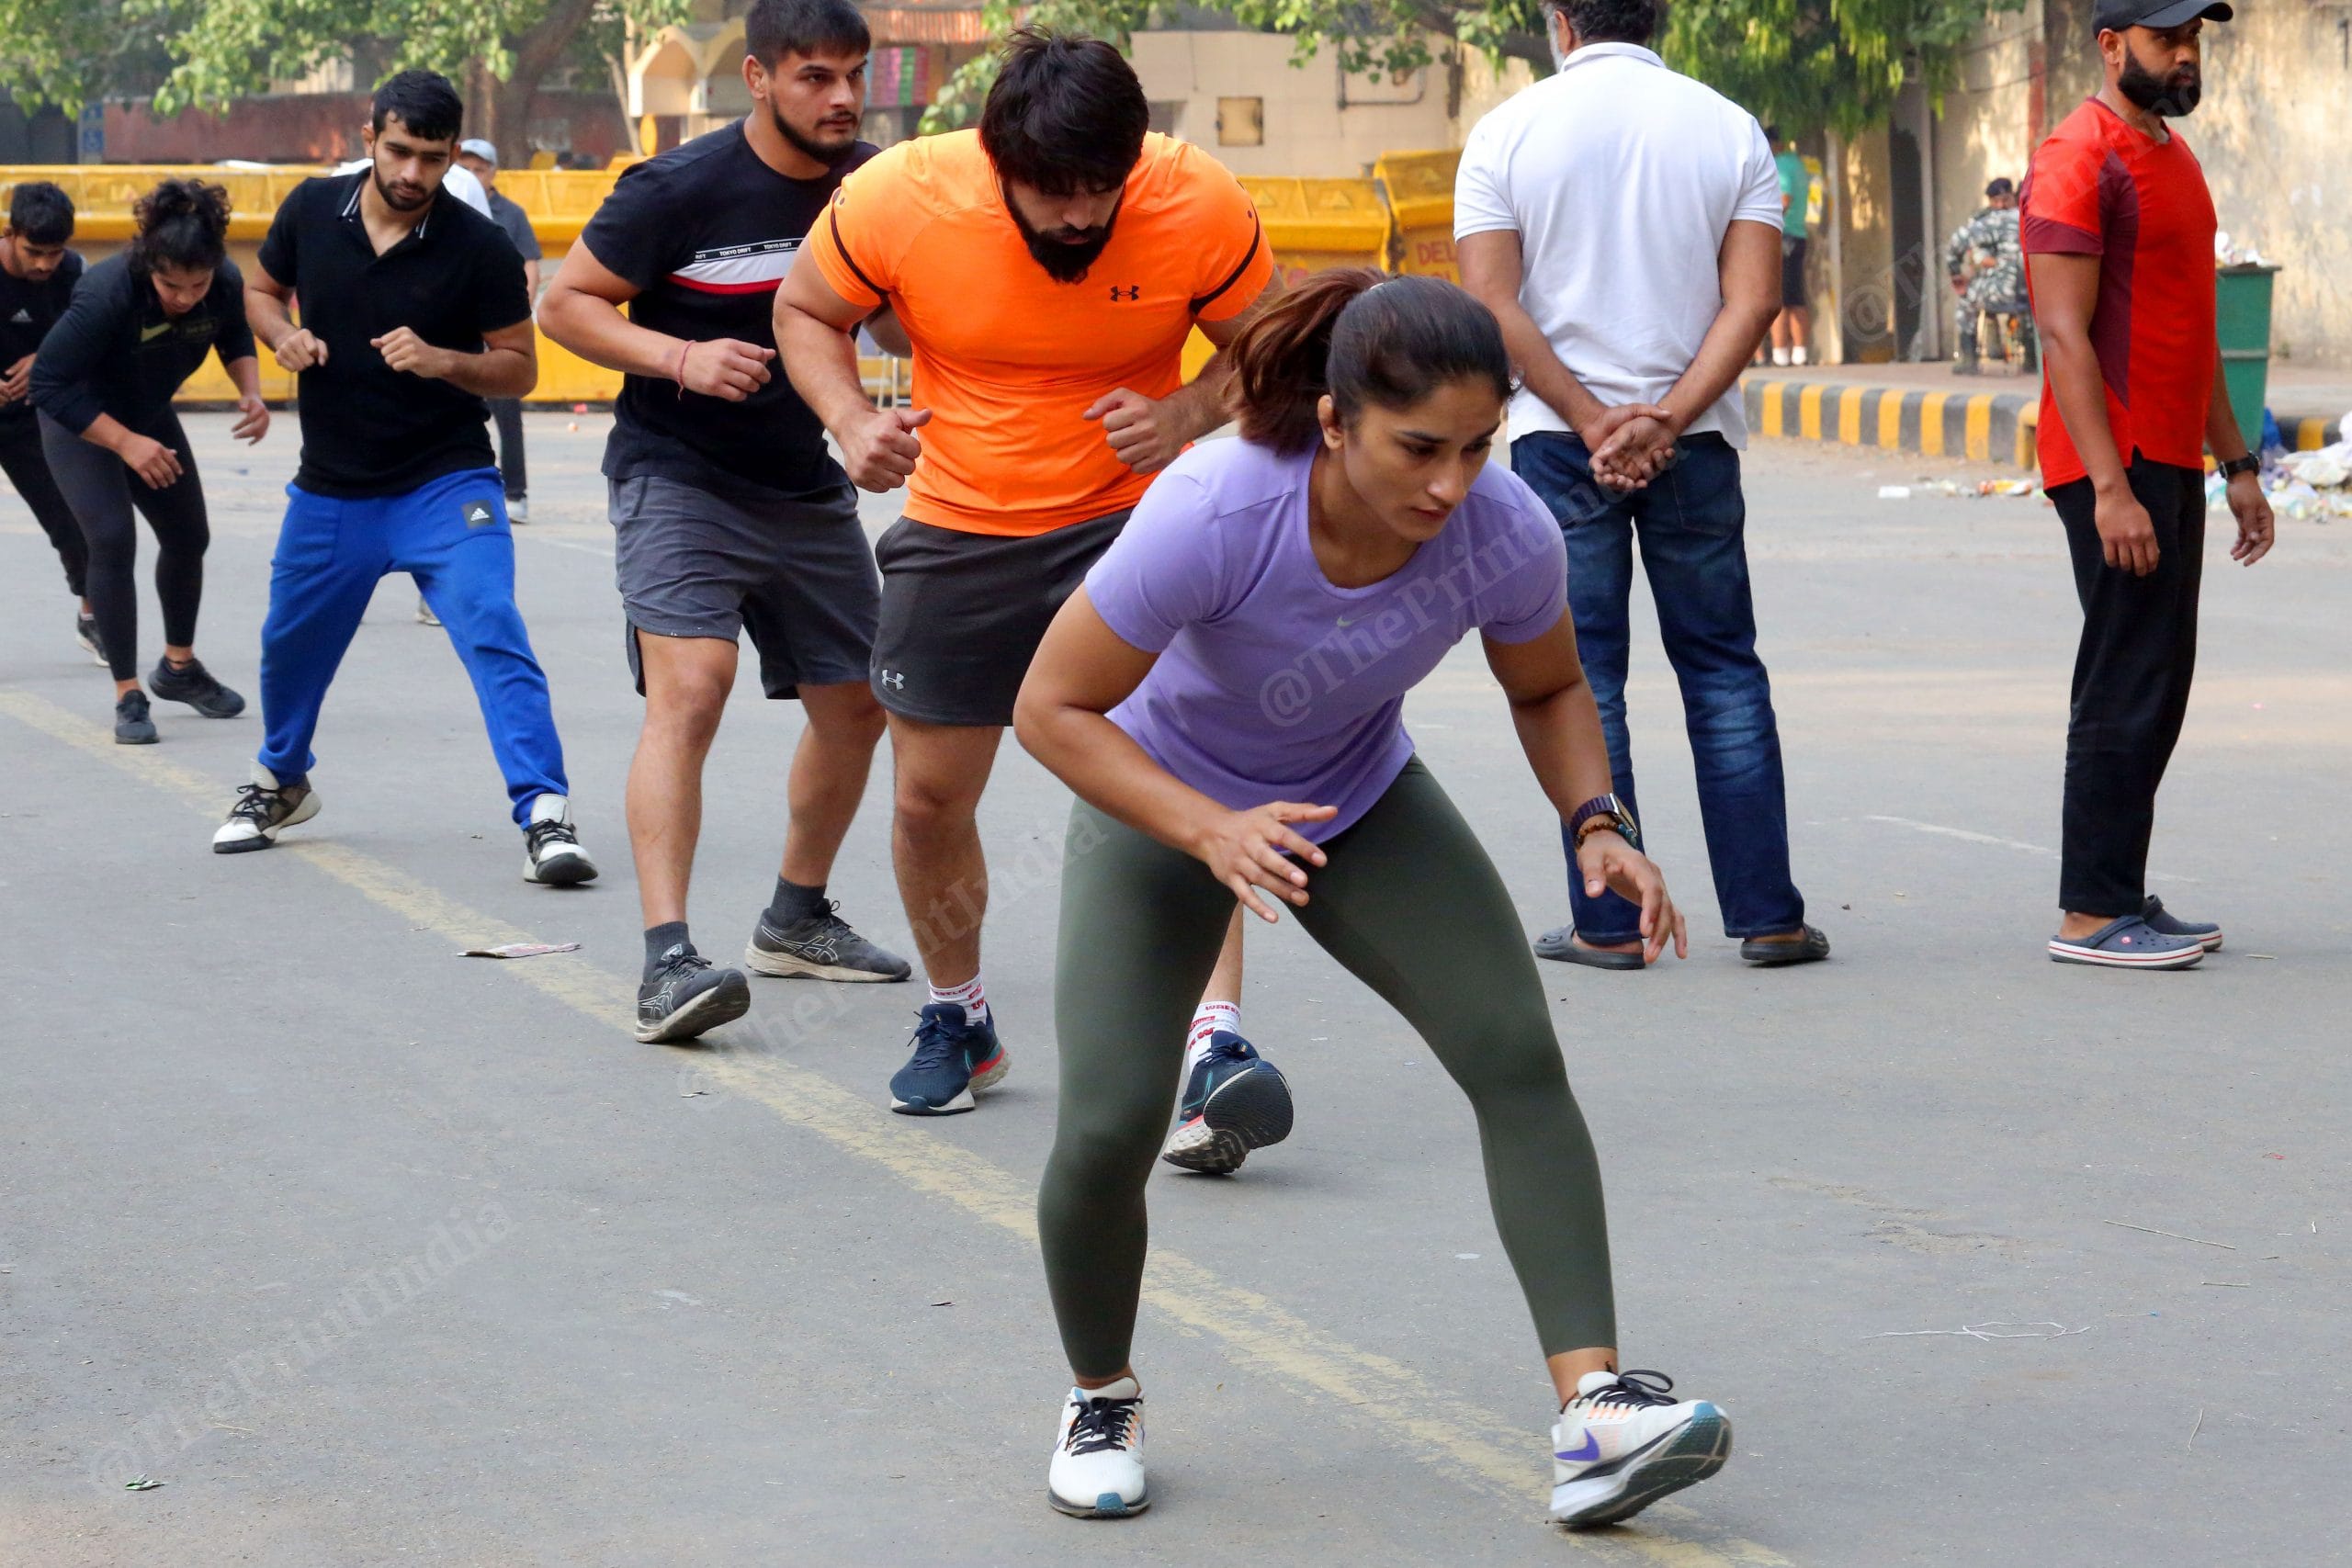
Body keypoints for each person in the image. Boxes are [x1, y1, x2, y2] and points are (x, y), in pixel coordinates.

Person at [1012, 271, 1729, 1527]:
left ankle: (1595, 1408)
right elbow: (1052, 707)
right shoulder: (1216, 508)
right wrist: (1207, 828)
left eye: (1476, 446)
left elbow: (1551, 686)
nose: (1449, 484)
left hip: (1354, 794)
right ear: (1336, 423)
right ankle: (1100, 1391)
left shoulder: (1503, 531)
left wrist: (1598, 821)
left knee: (1515, 1051)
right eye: (1418, 448)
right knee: (1112, 1125)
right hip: (1166, 803)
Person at [779, 28, 1294, 1153]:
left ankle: (1212, 1041)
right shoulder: (902, 195)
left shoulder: (1192, 198)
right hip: (962, 528)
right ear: (993, 156)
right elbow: (803, 311)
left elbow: (1272, 347)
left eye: (1098, 195)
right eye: (1048, 195)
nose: (1075, 219)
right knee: (927, 799)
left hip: (1132, 526)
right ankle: (956, 1014)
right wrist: (851, 417)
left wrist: (1184, 415)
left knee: (1171, 777)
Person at [539, 0, 908, 1045]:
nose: (840, 98)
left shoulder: (874, 185)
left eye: (852, 75)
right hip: (679, 473)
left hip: (801, 483)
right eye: (813, 77)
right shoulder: (677, 188)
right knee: (690, 691)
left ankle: (795, 917)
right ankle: (667, 963)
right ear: (756, 77)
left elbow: (888, 309)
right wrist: (681, 357)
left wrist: (887, 410)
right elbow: (565, 305)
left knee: (856, 707)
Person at [1457, 0, 1826, 973]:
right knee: (1722, 669)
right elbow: (1753, 301)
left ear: (1559, 21)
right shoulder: (1725, 125)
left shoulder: (1505, 132)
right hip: (1693, 445)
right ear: (1656, 17)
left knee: (1583, 680)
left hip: (1555, 446)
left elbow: (1491, 305)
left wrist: (1590, 421)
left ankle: (1610, 923)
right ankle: (1769, 917)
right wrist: (1664, 419)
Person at [211, 68, 598, 892]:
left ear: (453, 153)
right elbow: (258, 289)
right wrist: (281, 334)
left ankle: (546, 814)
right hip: (333, 489)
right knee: (288, 645)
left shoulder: (481, 244)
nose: (412, 172)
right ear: (368, 140)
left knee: (494, 626)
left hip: (445, 482)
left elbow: (520, 370)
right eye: (398, 151)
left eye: (430, 156)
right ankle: (282, 781)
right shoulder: (312, 210)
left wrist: (443, 360)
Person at [2024, 0, 2270, 969]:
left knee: (2159, 679)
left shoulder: (2173, 158)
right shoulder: (2075, 156)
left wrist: (2239, 463)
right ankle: (2088, 911)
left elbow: (2195, 328)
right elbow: (2060, 332)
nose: (2184, 56)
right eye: (2168, 40)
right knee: (2125, 674)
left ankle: (2118, 890)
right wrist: (2107, 487)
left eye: (2195, 41)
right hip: (2111, 461)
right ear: (2111, 44)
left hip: (2169, 455)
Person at [31, 179, 266, 745]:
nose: (184, 297)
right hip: (82, 419)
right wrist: (126, 443)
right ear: (148, 264)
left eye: (197, 284)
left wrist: (251, 393)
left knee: (189, 535)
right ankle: (128, 693)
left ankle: (178, 668)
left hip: (148, 413)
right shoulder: (108, 291)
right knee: (112, 540)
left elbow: (235, 335)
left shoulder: (225, 282)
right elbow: (49, 383)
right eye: (170, 285)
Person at [0, 180, 97, 661]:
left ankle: (92, 615)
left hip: (30, 419)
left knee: (74, 518)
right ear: (9, 233)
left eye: (53, 253)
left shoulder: (75, 273)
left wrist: (44, 358)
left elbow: (92, 334)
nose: (43, 264)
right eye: (33, 251)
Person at [457, 137, 537, 524]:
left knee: (507, 414)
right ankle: (465, 503)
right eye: (466, 167)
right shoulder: (445, 207)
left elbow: (529, 265)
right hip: (459, 334)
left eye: (480, 168)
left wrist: (516, 315)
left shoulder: (511, 214)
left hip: (498, 333)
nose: (472, 175)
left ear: (493, 172)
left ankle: (516, 493)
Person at [1947, 177, 2035, 376]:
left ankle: (1969, 361)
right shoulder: (2030, 216)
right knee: (2030, 308)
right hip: (2033, 290)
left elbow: (1955, 244)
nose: (2000, 205)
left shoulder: (1989, 221)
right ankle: (2033, 360)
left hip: (2000, 291)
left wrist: (1955, 275)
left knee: (1965, 303)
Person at [1767, 129, 1811, 367]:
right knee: (1796, 297)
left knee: (1780, 298)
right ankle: (1800, 352)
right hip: (1798, 234)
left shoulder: (1781, 164)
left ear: (1775, 144)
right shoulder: (1797, 164)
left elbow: (1784, 199)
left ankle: (1780, 353)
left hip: (1783, 237)